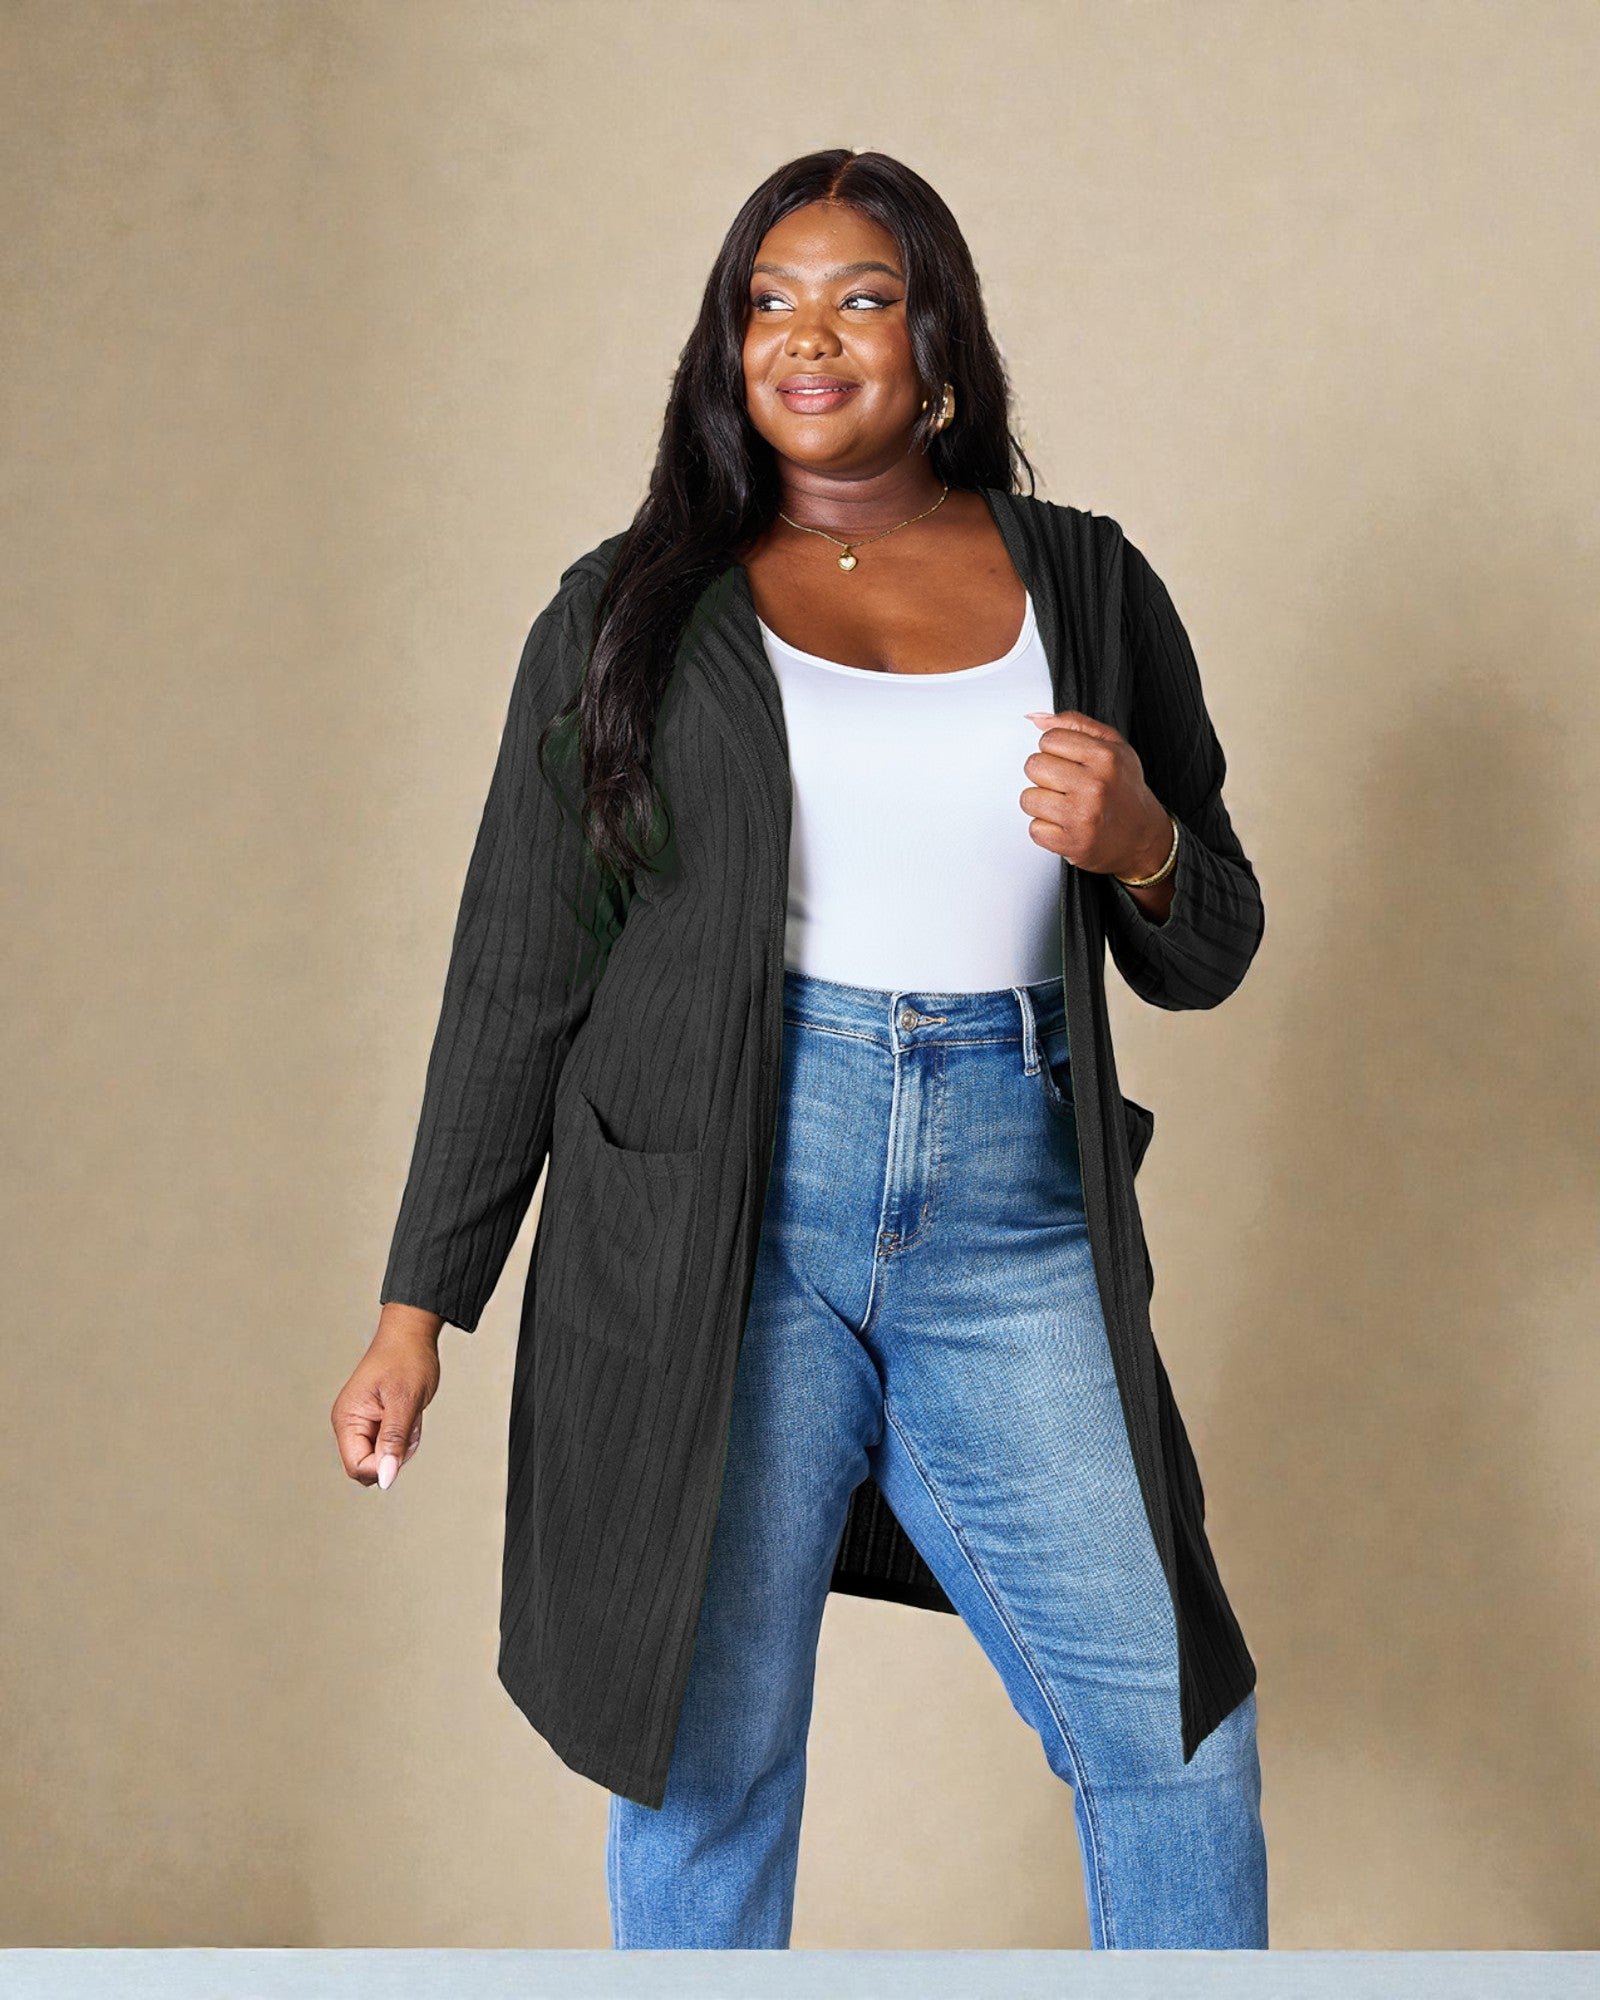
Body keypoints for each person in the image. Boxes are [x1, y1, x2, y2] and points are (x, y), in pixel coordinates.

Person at [332, 148, 1268, 1951]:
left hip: (1012, 1220)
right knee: (709, 1756)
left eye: (861, 297)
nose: (807, 336)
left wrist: (1144, 840)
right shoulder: (625, 609)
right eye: (769, 300)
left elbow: (1211, 940)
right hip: (718, 1219)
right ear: (727, 343)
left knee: (1172, 1731)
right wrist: (415, 1311)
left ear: (939, 344)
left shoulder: (1085, 583)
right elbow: (517, 971)